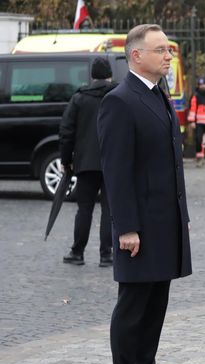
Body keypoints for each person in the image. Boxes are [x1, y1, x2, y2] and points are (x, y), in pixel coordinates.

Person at [98, 24, 192, 364]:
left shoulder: (159, 94)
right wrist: (127, 228)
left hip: (164, 221)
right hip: (140, 226)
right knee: (133, 308)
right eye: (160, 50)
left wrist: (180, 216)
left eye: (168, 50)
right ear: (136, 56)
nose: (168, 56)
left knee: (156, 305)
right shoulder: (120, 100)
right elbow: (116, 172)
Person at [60, 57, 116, 267]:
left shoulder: (79, 98)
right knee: (109, 209)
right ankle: (107, 254)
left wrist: (66, 161)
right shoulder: (118, 95)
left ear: (92, 76)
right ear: (110, 75)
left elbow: (66, 132)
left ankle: (78, 252)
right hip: (112, 162)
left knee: (84, 209)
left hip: (85, 163)